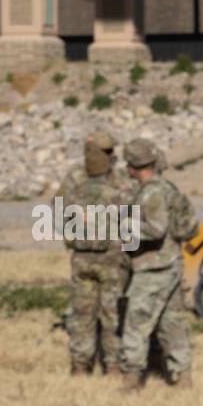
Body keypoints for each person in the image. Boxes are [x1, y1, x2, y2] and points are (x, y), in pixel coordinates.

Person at [118, 138, 197, 391]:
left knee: (136, 322)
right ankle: (182, 376)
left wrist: (121, 225)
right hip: (171, 263)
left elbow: (156, 229)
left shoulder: (151, 193)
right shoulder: (167, 187)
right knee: (171, 323)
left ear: (132, 166)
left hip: (153, 268)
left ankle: (132, 380)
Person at [61, 131, 134, 376]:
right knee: (111, 313)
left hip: (82, 256)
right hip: (112, 259)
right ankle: (113, 365)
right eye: (110, 151)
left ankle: (80, 365)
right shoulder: (120, 180)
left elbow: (57, 209)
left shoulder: (75, 179)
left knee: (82, 313)